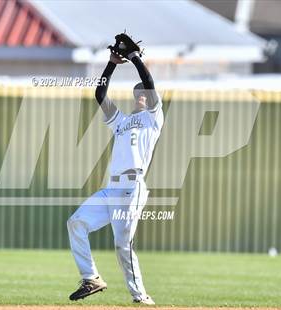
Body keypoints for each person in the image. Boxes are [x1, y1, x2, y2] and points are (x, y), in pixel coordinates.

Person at [67, 49, 164, 305]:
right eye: (138, 94)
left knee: (123, 244)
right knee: (76, 223)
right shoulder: (120, 121)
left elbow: (150, 84)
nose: (141, 96)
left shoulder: (153, 119)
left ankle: (140, 296)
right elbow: (100, 94)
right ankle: (91, 278)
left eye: (145, 93)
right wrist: (111, 64)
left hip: (133, 187)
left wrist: (134, 58)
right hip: (111, 189)